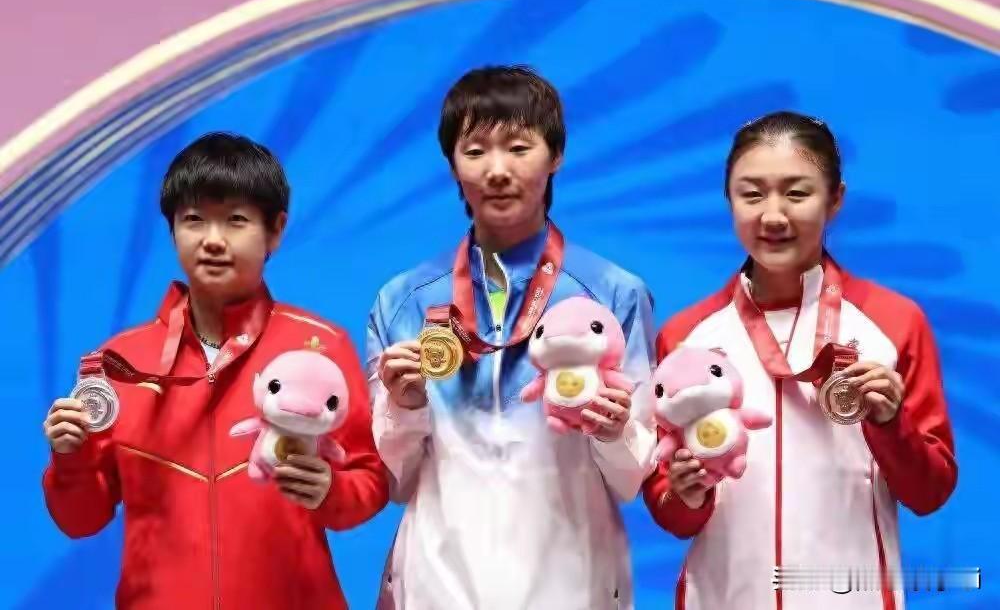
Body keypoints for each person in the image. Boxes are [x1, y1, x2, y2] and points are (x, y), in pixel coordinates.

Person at [42, 132, 389, 609]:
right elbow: (79, 520)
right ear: (172, 231)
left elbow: (370, 480)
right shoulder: (119, 364)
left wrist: (331, 490)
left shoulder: (320, 346)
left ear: (275, 230)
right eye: (194, 220)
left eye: (235, 221)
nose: (212, 240)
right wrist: (70, 457)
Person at [642, 111, 958, 609]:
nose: (773, 215)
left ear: (835, 199)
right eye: (752, 194)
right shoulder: (685, 336)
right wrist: (686, 492)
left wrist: (890, 424)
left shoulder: (895, 322)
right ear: (729, 200)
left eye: (796, 193)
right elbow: (671, 514)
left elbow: (930, 492)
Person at [368, 65, 657, 609]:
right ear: (452, 164)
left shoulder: (614, 294)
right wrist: (405, 407)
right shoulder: (402, 300)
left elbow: (631, 478)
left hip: (571, 585)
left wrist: (614, 430)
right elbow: (394, 481)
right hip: (438, 585)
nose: (497, 171)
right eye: (475, 151)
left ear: (556, 155)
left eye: (519, 148)